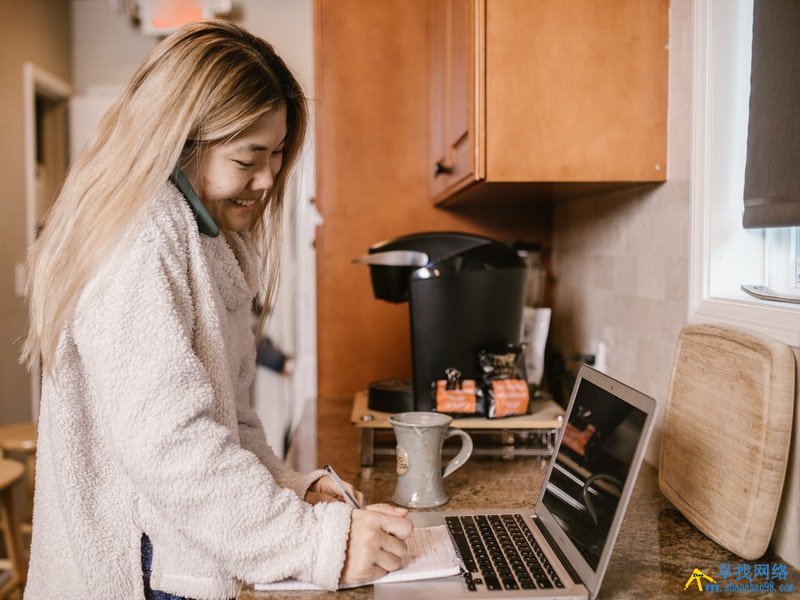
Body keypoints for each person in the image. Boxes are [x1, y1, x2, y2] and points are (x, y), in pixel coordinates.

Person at [22, 20, 412, 600]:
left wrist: (289, 491)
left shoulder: (203, 241)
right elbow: (173, 445)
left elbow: (228, 423)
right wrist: (314, 543)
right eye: (249, 157)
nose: (269, 177)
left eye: (277, 155)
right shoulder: (141, 240)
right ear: (181, 142)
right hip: (141, 573)